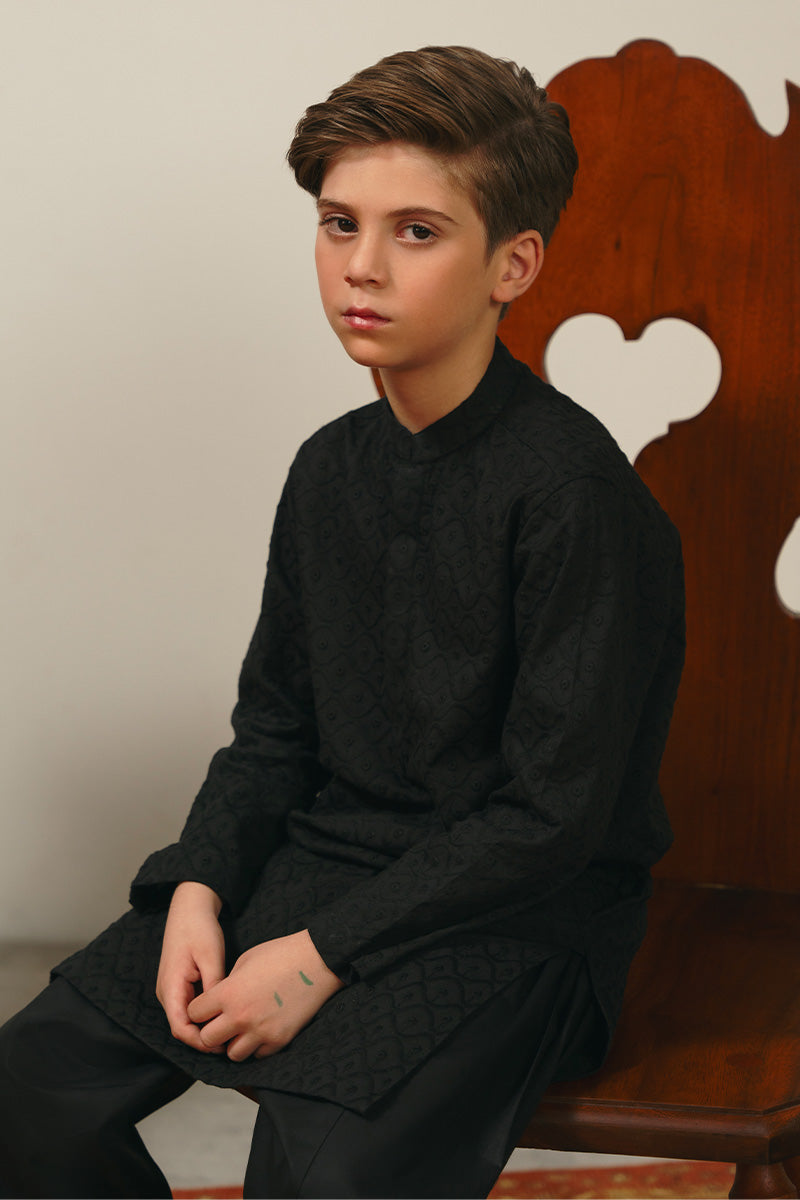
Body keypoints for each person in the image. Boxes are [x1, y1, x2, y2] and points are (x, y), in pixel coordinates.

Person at [0, 44, 685, 1199]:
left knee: (324, 1170)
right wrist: (196, 889)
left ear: (512, 263)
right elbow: (273, 731)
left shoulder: (574, 498)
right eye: (336, 223)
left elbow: (549, 820)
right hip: (323, 865)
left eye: (415, 231)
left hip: (519, 918)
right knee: (30, 1088)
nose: (360, 266)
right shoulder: (328, 468)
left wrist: (322, 957)